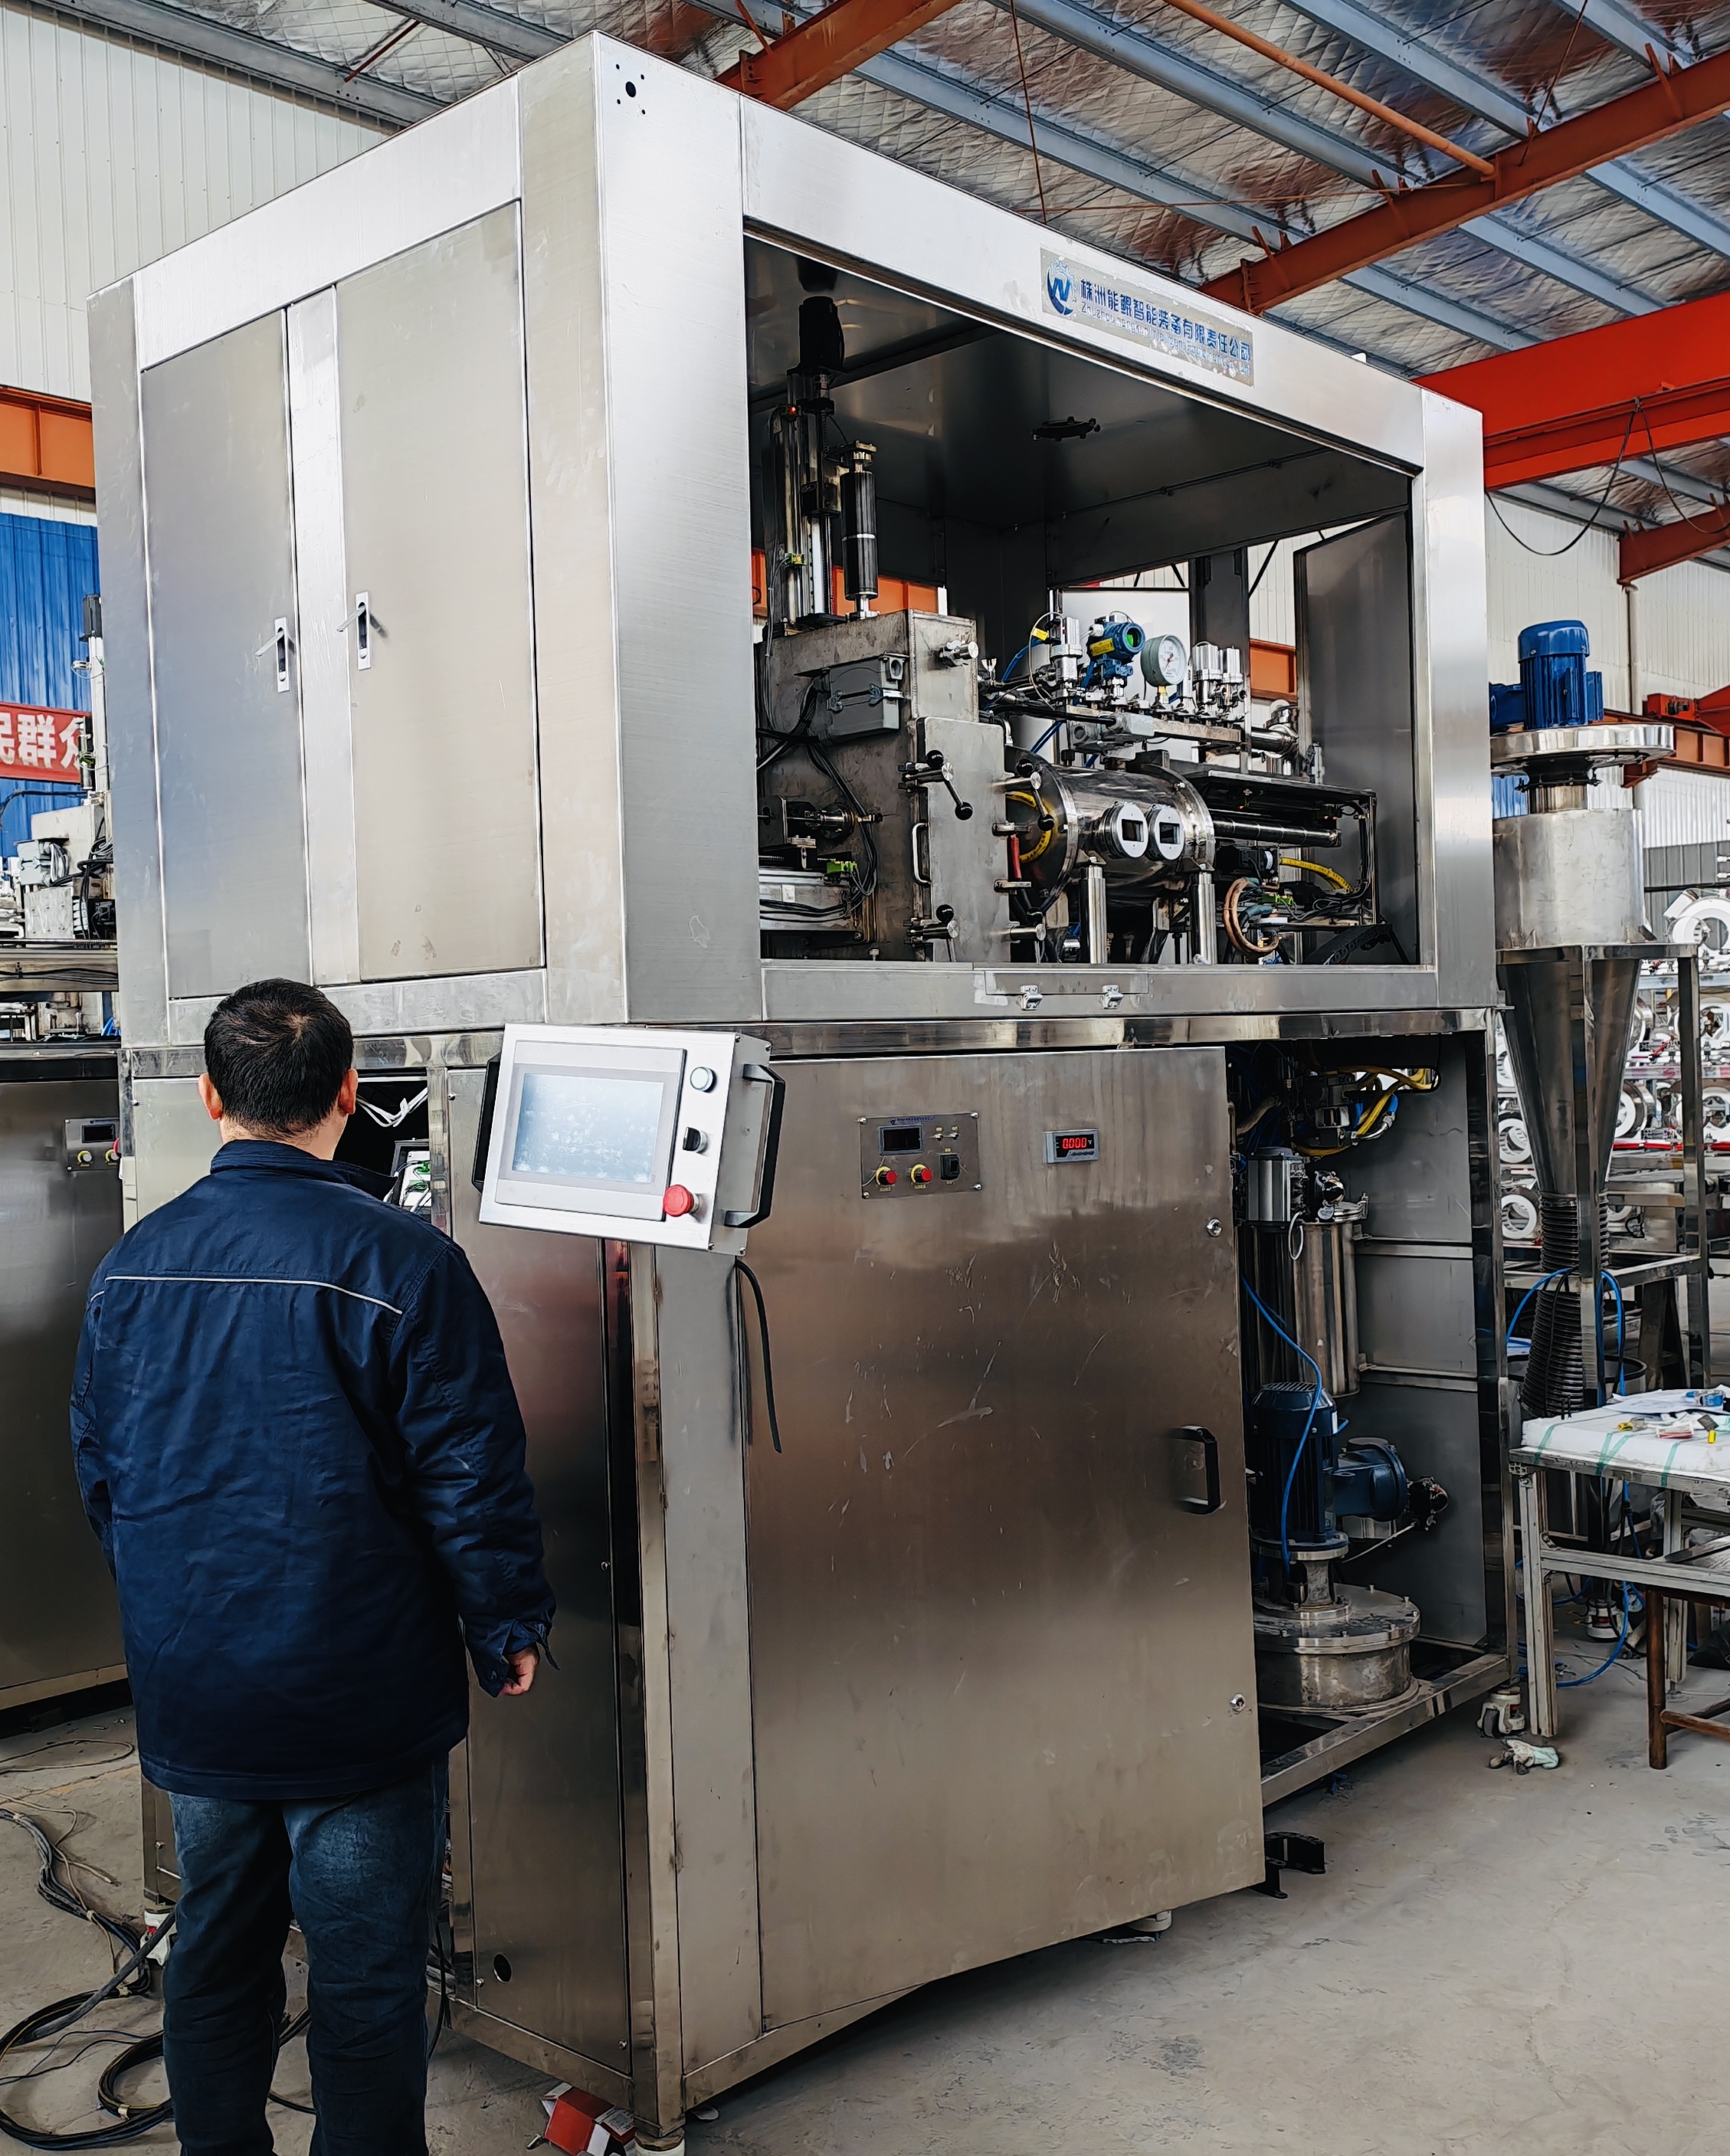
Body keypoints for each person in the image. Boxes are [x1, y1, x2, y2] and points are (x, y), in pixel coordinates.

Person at [71, 978, 555, 2156]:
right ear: (348, 1091)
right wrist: (504, 1623)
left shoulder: (133, 1262)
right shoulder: (406, 1259)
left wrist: (174, 1609)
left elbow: (103, 1471)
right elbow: (468, 1472)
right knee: (364, 1976)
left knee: (215, 1952)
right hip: (356, 1691)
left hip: (198, 1685)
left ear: (210, 1096)